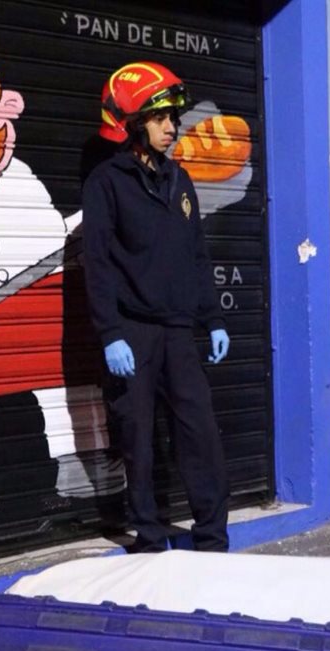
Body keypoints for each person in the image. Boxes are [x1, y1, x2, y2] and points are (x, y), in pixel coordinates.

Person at [81, 62, 231, 554]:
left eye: (175, 118)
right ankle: (148, 538)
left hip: (177, 331)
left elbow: (196, 255)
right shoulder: (106, 183)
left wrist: (211, 319)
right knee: (137, 439)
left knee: (200, 432)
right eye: (162, 117)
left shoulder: (180, 180)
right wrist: (110, 333)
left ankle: (212, 536)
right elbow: (97, 262)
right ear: (132, 122)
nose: (173, 127)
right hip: (133, 332)